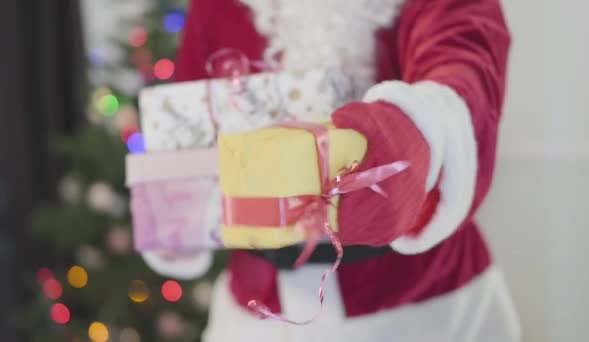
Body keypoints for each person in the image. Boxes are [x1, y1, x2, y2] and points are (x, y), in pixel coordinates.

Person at [164, 0, 520, 341]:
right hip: (259, 311)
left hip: (421, 305)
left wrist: (406, 135)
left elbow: (464, 68)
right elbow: (186, 117)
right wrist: (174, 210)